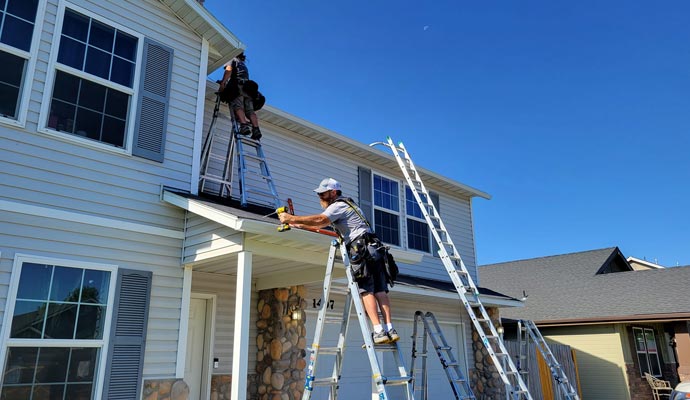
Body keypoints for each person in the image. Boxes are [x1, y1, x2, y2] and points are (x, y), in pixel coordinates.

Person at [278, 178, 399, 344]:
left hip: (361, 249)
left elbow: (321, 220)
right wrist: (298, 224)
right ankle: (389, 329)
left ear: (333, 192)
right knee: (380, 290)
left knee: (366, 290)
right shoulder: (350, 206)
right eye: (319, 193)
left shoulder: (338, 205)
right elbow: (324, 226)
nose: (320, 196)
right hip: (374, 248)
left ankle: (378, 331)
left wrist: (291, 218)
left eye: (323, 193)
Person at [218, 52, 262, 140]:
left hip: (238, 87)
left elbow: (229, 70)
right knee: (250, 111)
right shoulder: (243, 64)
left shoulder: (232, 59)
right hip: (249, 89)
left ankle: (244, 126)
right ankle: (256, 129)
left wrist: (223, 83)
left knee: (238, 106)